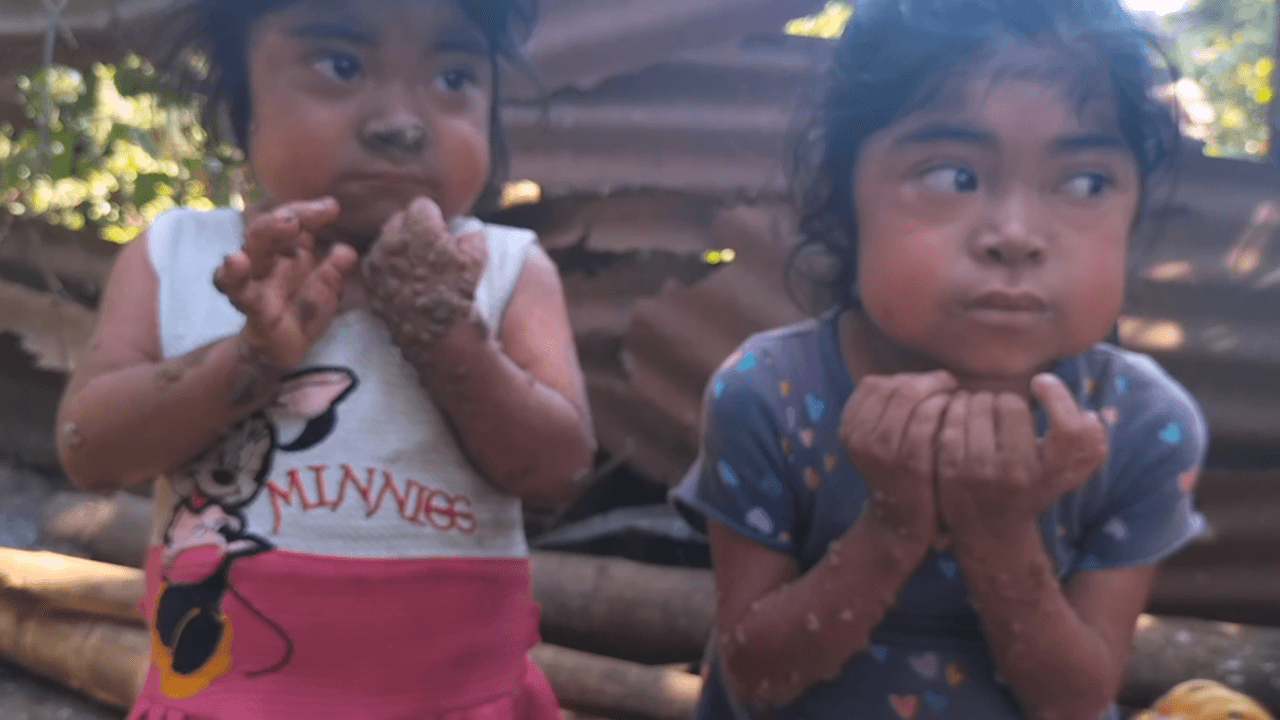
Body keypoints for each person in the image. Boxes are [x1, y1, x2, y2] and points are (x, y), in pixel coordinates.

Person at [54, 1, 596, 718]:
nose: (401, 122)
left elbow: (559, 467)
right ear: (240, 102)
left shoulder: (502, 269)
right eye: (342, 66)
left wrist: (450, 339)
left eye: (454, 75)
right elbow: (90, 449)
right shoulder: (179, 255)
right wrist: (247, 359)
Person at [671, 1, 1207, 718]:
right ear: (844, 198)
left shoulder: (1141, 426)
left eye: (1084, 183)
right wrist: (891, 526)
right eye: (954, 176)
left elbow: (1077, 702)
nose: (1015, 236)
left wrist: (1000, 535)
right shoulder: (771, 394)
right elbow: (754, 678)